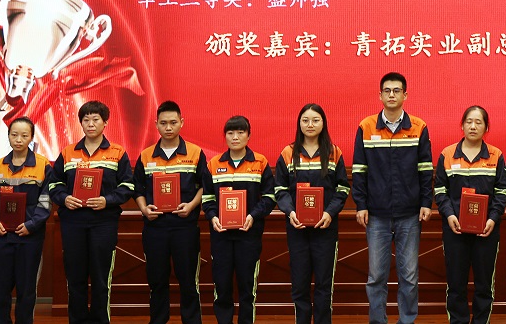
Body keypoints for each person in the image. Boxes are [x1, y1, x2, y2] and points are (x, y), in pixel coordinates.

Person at [352, 72, 433, 324]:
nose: (391, 95)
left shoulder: (418, 127)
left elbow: (425, 169)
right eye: (387, 91)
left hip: (410, 213)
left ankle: (406, 320)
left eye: (397, 90)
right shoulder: (366, 127)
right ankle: (378, 321)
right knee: (376, 276)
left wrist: (426, 203)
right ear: (380, 95)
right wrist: (361, 205)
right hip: (376, 214)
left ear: (405, 95)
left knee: (409, 276)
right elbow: (359, 170)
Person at [49, 100, 135, 324]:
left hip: (103, 222)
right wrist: (64, 198)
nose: (90, 124)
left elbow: (128, 186)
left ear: (105, 122)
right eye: (86, 120)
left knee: (100, 277)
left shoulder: (117, 152)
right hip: (73, 222)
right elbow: (54, 184)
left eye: (96, 119)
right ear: (80, 123)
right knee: (75, 276)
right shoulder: (68, 152)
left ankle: (99, 320)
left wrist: (107, 200)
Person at [274, 103, 351, 324]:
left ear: (323, 123)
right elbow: (280, 189)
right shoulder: (288, 153)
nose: (310, 124)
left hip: (325, 229)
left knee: (324, 285)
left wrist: (329, 213)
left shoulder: (334, 153)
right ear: (299, 123)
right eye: (305, 120)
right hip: (297, 229)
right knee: (299, 285)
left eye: (315, 120)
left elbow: (343, 188)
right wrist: (290, 212)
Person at [433, 105, 506, 324]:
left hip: (486, 231)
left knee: (484, 284)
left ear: (486, 127)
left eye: (478, 122)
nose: (473, 126)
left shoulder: (496, 155)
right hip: (455, 229)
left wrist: (493, 218)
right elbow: (440, 190)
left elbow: (502, 191)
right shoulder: (447, 154)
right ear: (462, 125)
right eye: (469, 122)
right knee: (455, 284)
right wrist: (449, 215)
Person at [133, 100, 207, 324]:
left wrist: (191, 205)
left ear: (182, 122)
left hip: (185, 227)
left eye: (173, 122)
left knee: (188, 281)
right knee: (157, 281)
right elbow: (137, 188)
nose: (168, 127)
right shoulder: (146, 155)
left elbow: (206, 186)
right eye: (163, 123)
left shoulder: (195, 153)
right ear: (156, 124)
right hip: (155, 227)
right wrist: (144, 208)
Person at [200, 115, 276, 324]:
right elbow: (207, 198)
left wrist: (253, 216)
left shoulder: (260, 162)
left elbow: (269, 197)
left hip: (249, 235)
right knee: (222, 286)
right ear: (225, 136)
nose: (235, 137)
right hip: (221, 236)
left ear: (248, 136)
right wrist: (213, 217)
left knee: (247, 288)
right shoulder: (214, 164)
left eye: (240, 132)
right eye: (231, 133)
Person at [0, 116, 52, 324]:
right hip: (1, 236)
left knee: (26, 291)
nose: (18, 139)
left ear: (31, 137)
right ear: (8, 136)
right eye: (14, 135)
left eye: (24, 135)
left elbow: (46, 200)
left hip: (29, 237)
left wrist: (32, 225)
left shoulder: (43, 165)